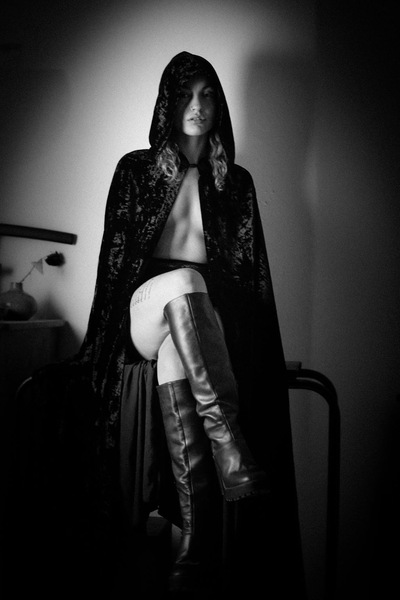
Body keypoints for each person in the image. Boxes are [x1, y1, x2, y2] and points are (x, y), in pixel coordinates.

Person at [12, 51, 306, 598]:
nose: (197, 105)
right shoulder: (136, 170)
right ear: (167, 104)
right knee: (183, 282)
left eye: (207, 94)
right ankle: (229, 444)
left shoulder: (236, 183)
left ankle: (192, 545)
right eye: (185, 95)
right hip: (144, 314)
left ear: (220, 104)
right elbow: (114, 265)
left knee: (179, 342)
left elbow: (249, 279)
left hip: (197, 325)